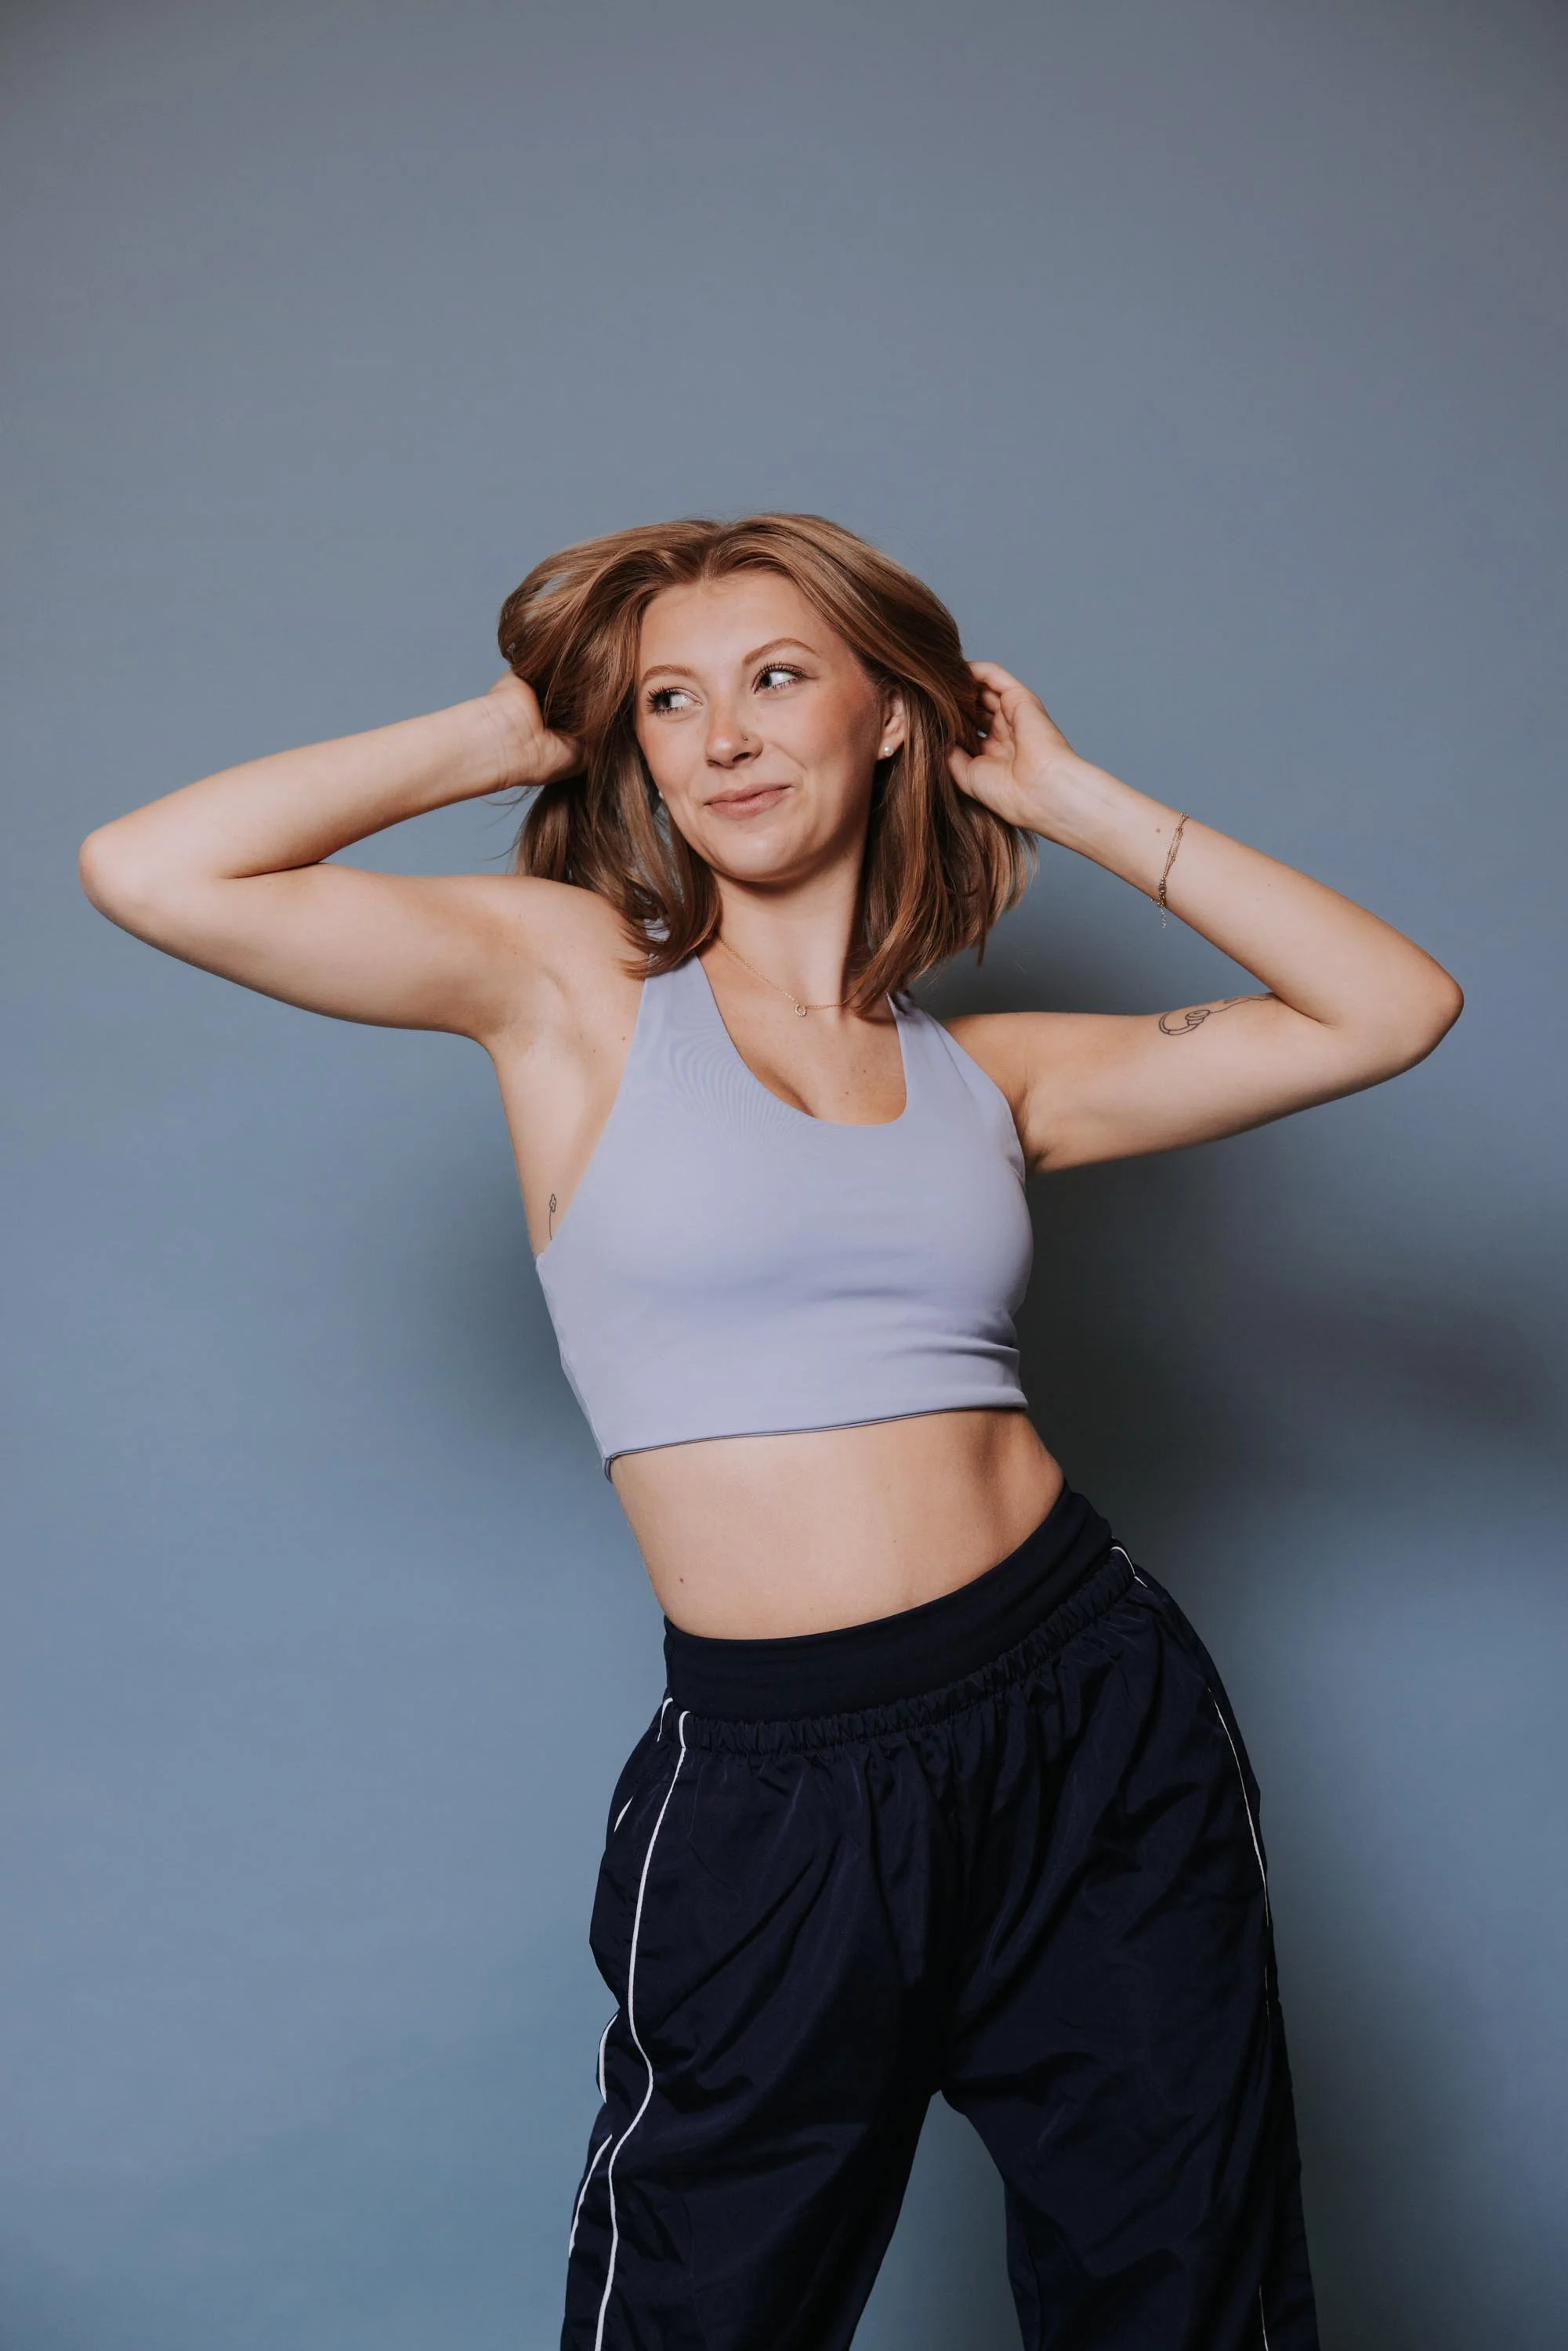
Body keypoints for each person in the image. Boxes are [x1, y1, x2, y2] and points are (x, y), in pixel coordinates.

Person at [78, 512, 1461, 2350]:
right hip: (786, 1775)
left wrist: (1068, 793)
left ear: (894, 716)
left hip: (1091, 1712)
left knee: (1181, 2279)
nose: (721, 735)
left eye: (777, 677)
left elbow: (1393, 1008)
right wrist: (512, 734)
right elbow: (152, 868)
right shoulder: (576, 986)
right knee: (704, 2308)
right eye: (669, 699)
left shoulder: (997, 1073)